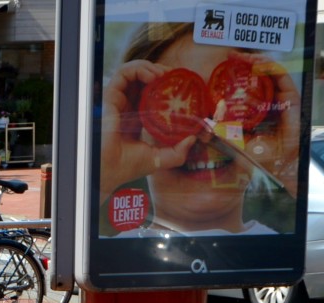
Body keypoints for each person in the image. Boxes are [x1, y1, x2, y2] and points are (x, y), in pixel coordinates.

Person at [100, 20, 299, 236]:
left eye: (228, 103)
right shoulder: (102, 256)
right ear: (135, 124)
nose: (205, 133)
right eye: (178, 116)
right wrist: (106, 171)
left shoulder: (285, 251)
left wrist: (290, 164)